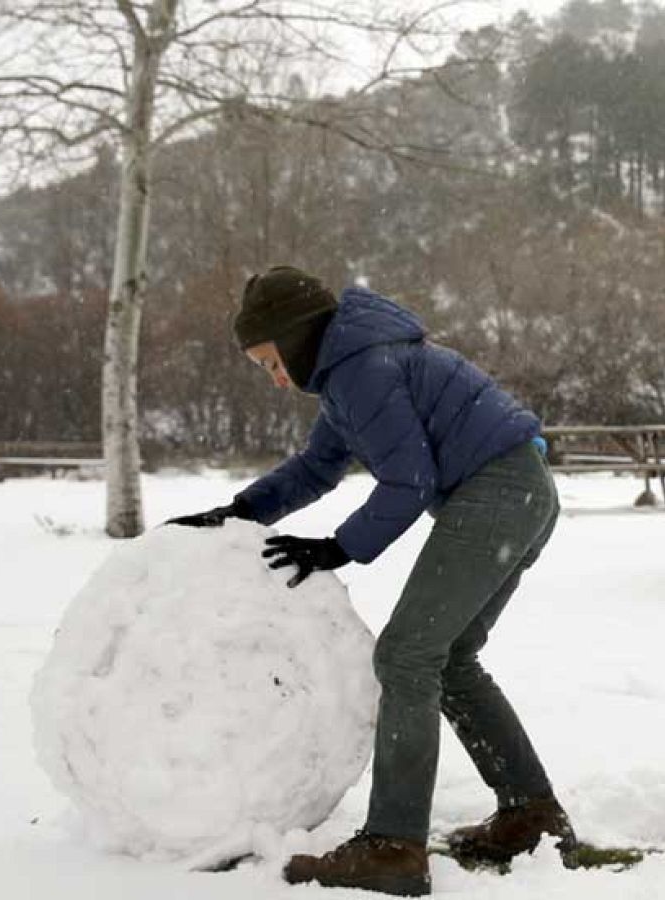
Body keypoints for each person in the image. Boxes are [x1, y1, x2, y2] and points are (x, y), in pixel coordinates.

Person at [167, 266, 575, 896]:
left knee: (406, 655)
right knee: (451, 659)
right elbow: (316, 467)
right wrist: (241, 512)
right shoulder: (352, 370)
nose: (276, 379)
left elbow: (408, 480)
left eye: (273, 362)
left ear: (298, 337)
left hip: (498, 493)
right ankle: (530, 814)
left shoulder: (364, 369)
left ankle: (392, 845)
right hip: (521, 492)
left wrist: (339, 548)